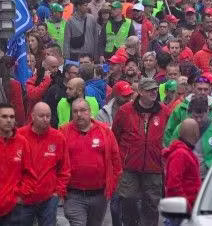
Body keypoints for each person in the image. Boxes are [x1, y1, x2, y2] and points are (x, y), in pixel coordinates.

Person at [111, 78, 168, 226]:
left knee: (151, 204)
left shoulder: (164, 111)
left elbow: (169, 136)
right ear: (140, 92)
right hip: (129, 166)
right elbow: (115, 135)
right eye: (149, 89)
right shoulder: (125, 110)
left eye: (155, 89)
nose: (153, 92)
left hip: (154, 166)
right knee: (128, 199)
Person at [61, 98, 122, 226]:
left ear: (90, 111)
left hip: (99, 194)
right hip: (73, 194)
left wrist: (112, 185)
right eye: (75, 111)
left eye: (83, 110)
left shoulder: (104, 131)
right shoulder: (63, 132)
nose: (79, 114)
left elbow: (116, 160)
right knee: (78, 223)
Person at [17, 103, 71, 226]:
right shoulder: (19, 136)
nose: (46, 119)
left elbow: (64, 169)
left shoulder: (58, 138)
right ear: (33, 116)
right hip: (23, 199)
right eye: (42, 116)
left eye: (48, 116)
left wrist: (58, 192)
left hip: (48, 199)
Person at [162, 118, 202, 212]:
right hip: (181, 211)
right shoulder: (181, 154)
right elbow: (173, 185)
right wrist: (187, 207)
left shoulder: (184, 152)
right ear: (195, 133)